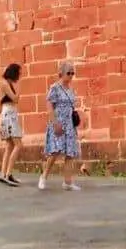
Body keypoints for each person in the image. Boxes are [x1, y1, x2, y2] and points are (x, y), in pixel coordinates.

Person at [39, 61, 81, 191]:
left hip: (69, 124)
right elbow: (49, 106)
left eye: (73, 73)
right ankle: (44, 176)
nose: (71, 75)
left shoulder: (71, 89)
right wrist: (55, 123)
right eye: (69, 73)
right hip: (58, 122)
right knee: (55, 151)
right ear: (61, 73)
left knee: (70, 152)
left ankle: (67, 182)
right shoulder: (55, 88)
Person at [0, 62, 23, 186]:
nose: (19, 76)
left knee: (9, 145)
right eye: (19, 73)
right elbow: (15, 99)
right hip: (9, 114)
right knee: (18, 145)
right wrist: (19, 88)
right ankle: (7, 173)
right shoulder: (5, 84)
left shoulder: (8, 83)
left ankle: (4, 174)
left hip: (9, 113)